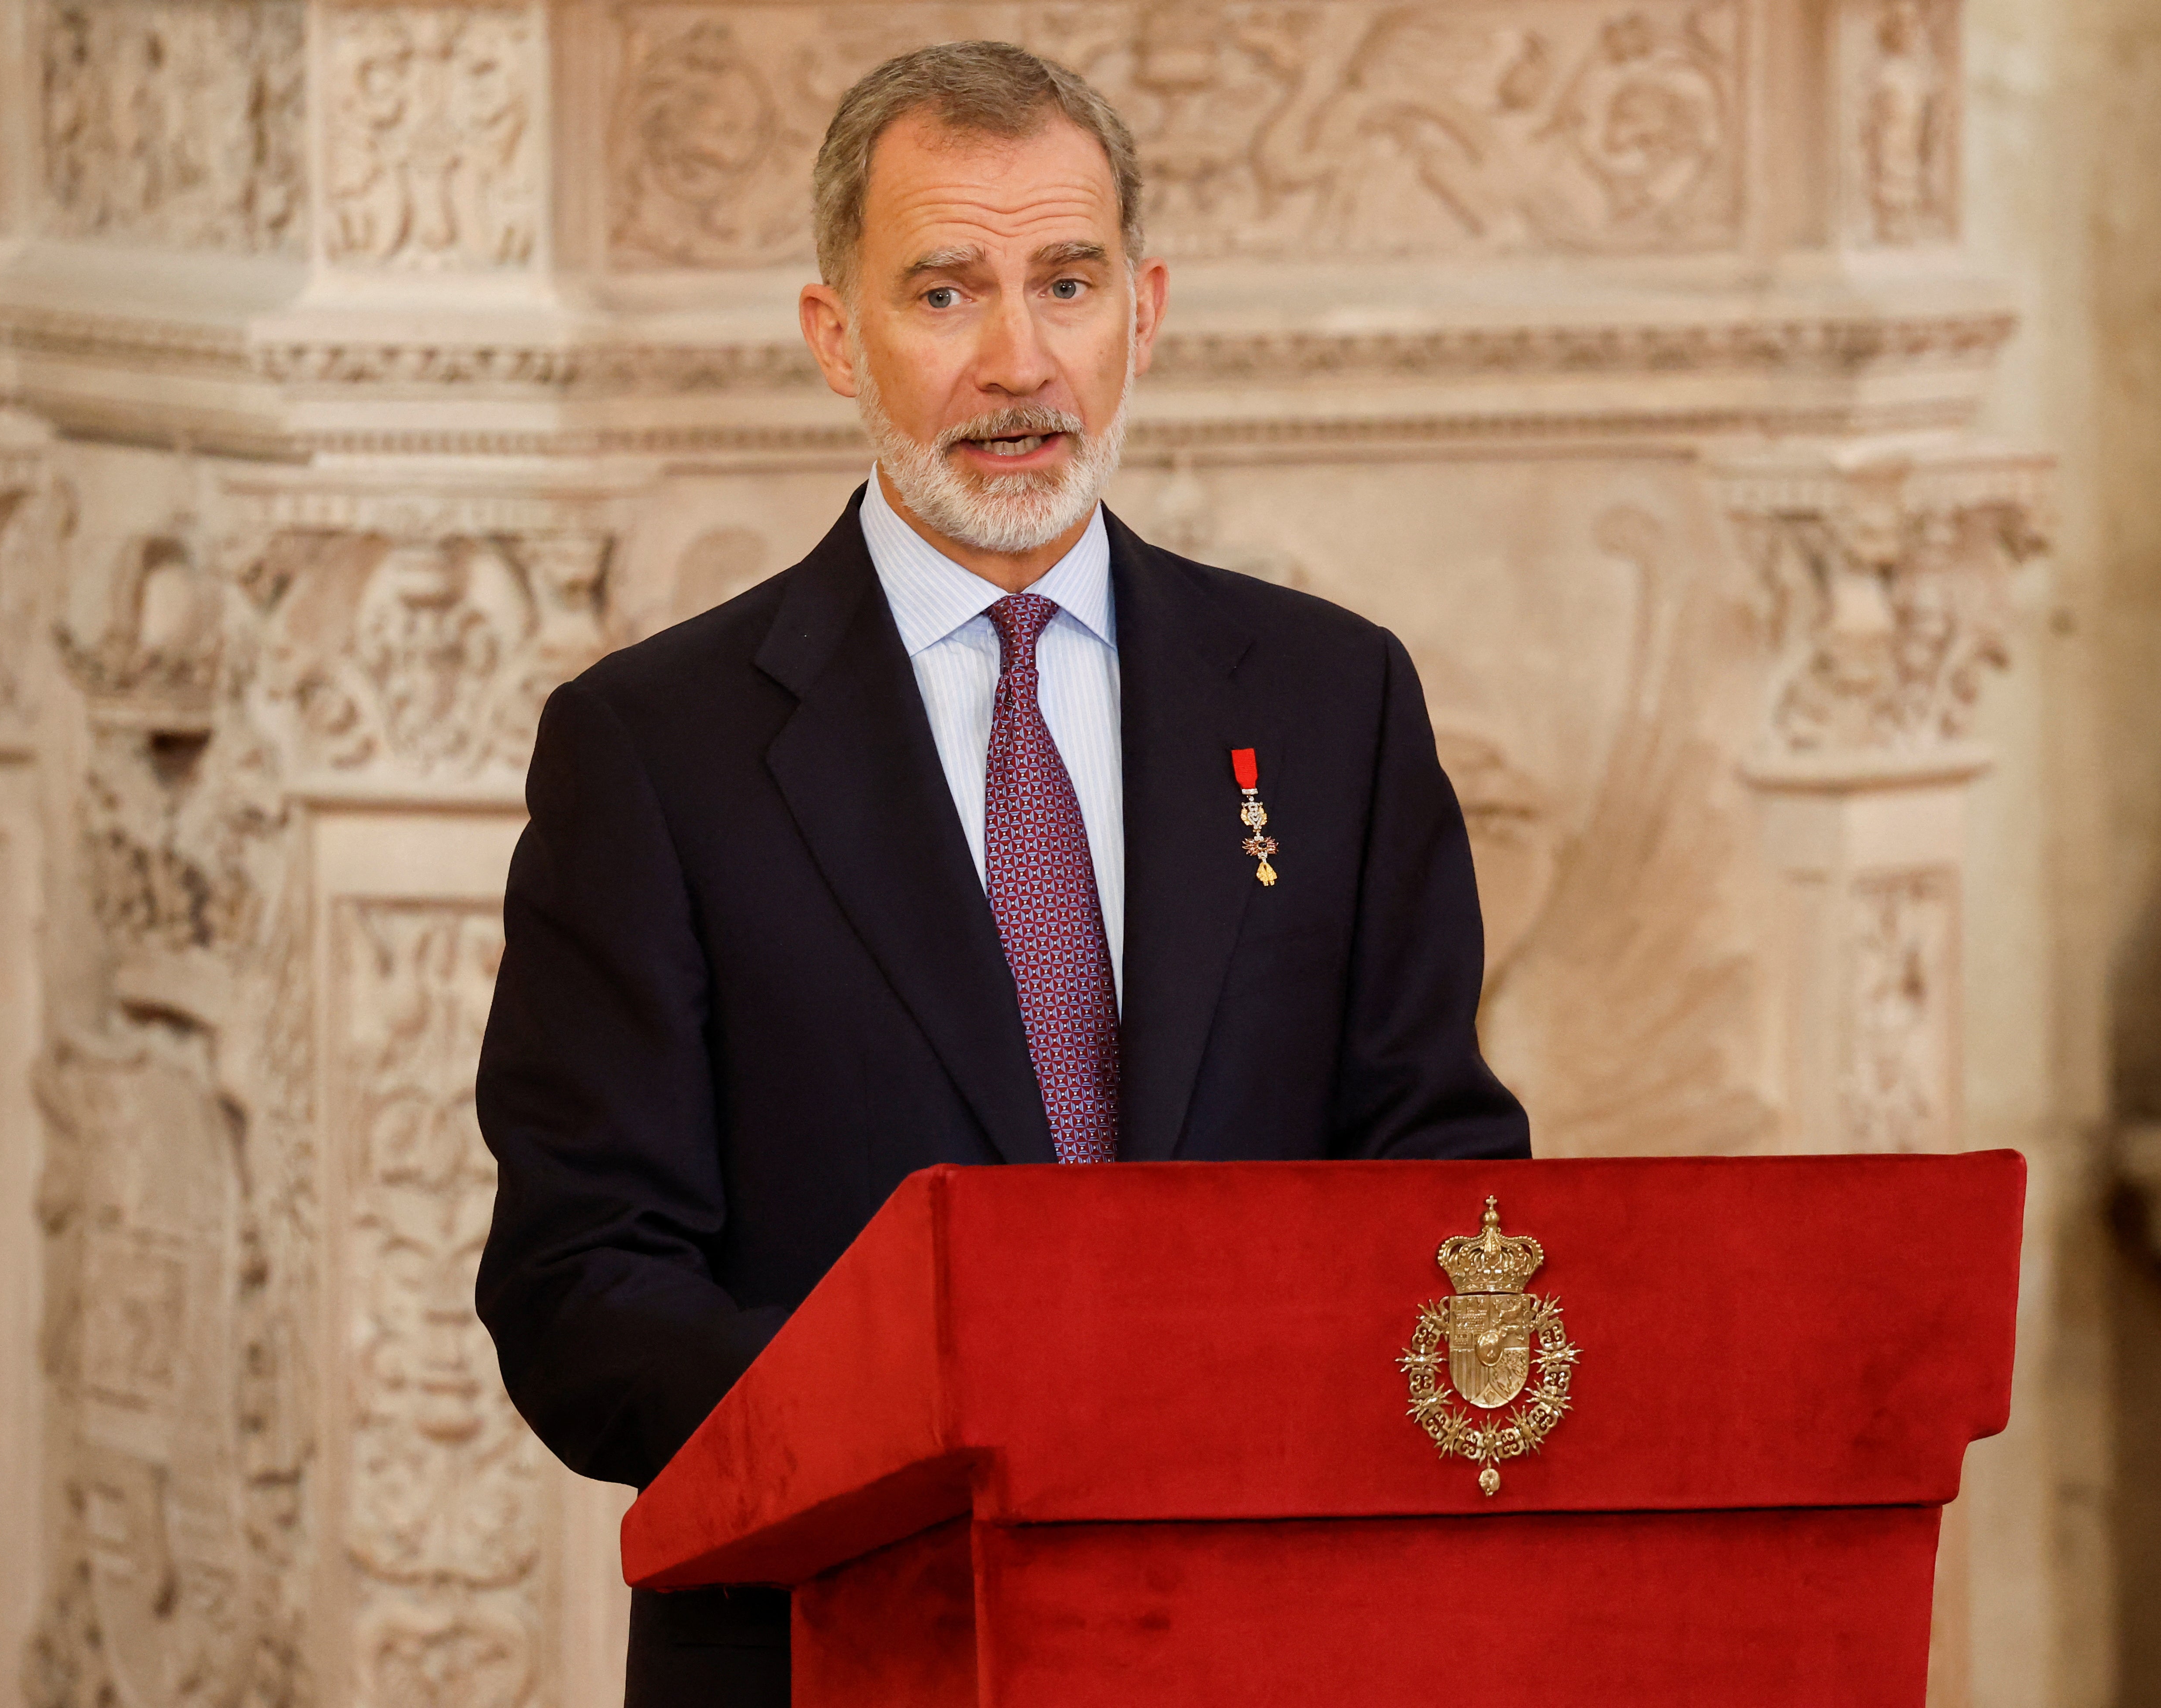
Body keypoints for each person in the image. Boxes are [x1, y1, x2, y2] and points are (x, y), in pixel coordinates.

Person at [474, 39, 1529, 1705]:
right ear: (837, 335)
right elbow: (578, 1286)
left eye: (1067, 281)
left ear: (1146, 312)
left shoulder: (1336, 701)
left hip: (1270, 1641)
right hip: (836, 1642)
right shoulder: (653, 752)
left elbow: (1444, 1177)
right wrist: (936, 1423)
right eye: (947, 292)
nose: (1020, 361)